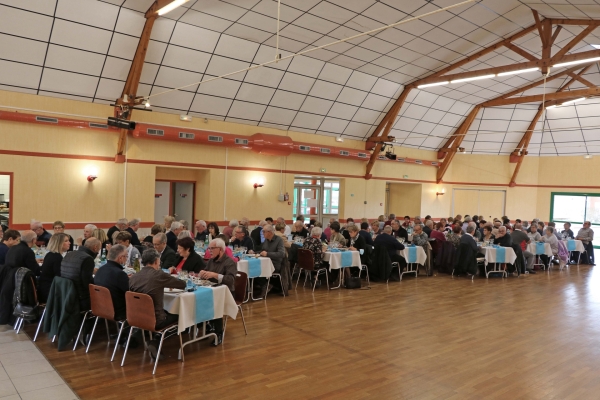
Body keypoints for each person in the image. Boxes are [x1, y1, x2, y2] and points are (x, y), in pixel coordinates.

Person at [129, 249, 186, 359]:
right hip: (156, 319)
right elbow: (182, 284)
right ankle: (156, 341)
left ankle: (143, 337)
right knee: (181, 315)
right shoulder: (158, 275)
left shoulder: (134, 277)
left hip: (136, 317)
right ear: (156, 261)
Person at [198, 238, 238, 346]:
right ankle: (206, 326)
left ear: (220, 250)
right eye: (209, 248)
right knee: (198, 299)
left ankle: (218, 333)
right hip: (212, 290)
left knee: (215, 303)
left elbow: (230, 280)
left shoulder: (230, 262)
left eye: (212, 248)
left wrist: (215, 275)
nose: (209, 251)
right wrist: (202, 273)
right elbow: (207, 273)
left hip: (227, 292)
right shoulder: (211, 260)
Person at [61, 238, 101, 310]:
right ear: (95, 247)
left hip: (65, 293)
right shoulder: (88, 259)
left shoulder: (69, 254)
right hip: (80, 298)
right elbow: (87, 283)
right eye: (99, 249)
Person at [93, 245, 130, 321]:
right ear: (120, 258)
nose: (126, 259)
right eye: (126, 256)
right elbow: (130, 292)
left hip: (100, 306)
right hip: (118, 310)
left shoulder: (100, 270)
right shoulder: (119, 274)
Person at [38, 233, 70, 303]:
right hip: (50, 290)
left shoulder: (49, 254)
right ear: (59, 243)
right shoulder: (57, 257)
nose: (69, 243)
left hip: (43, 287)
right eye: (66, 241)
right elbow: (60, 277)